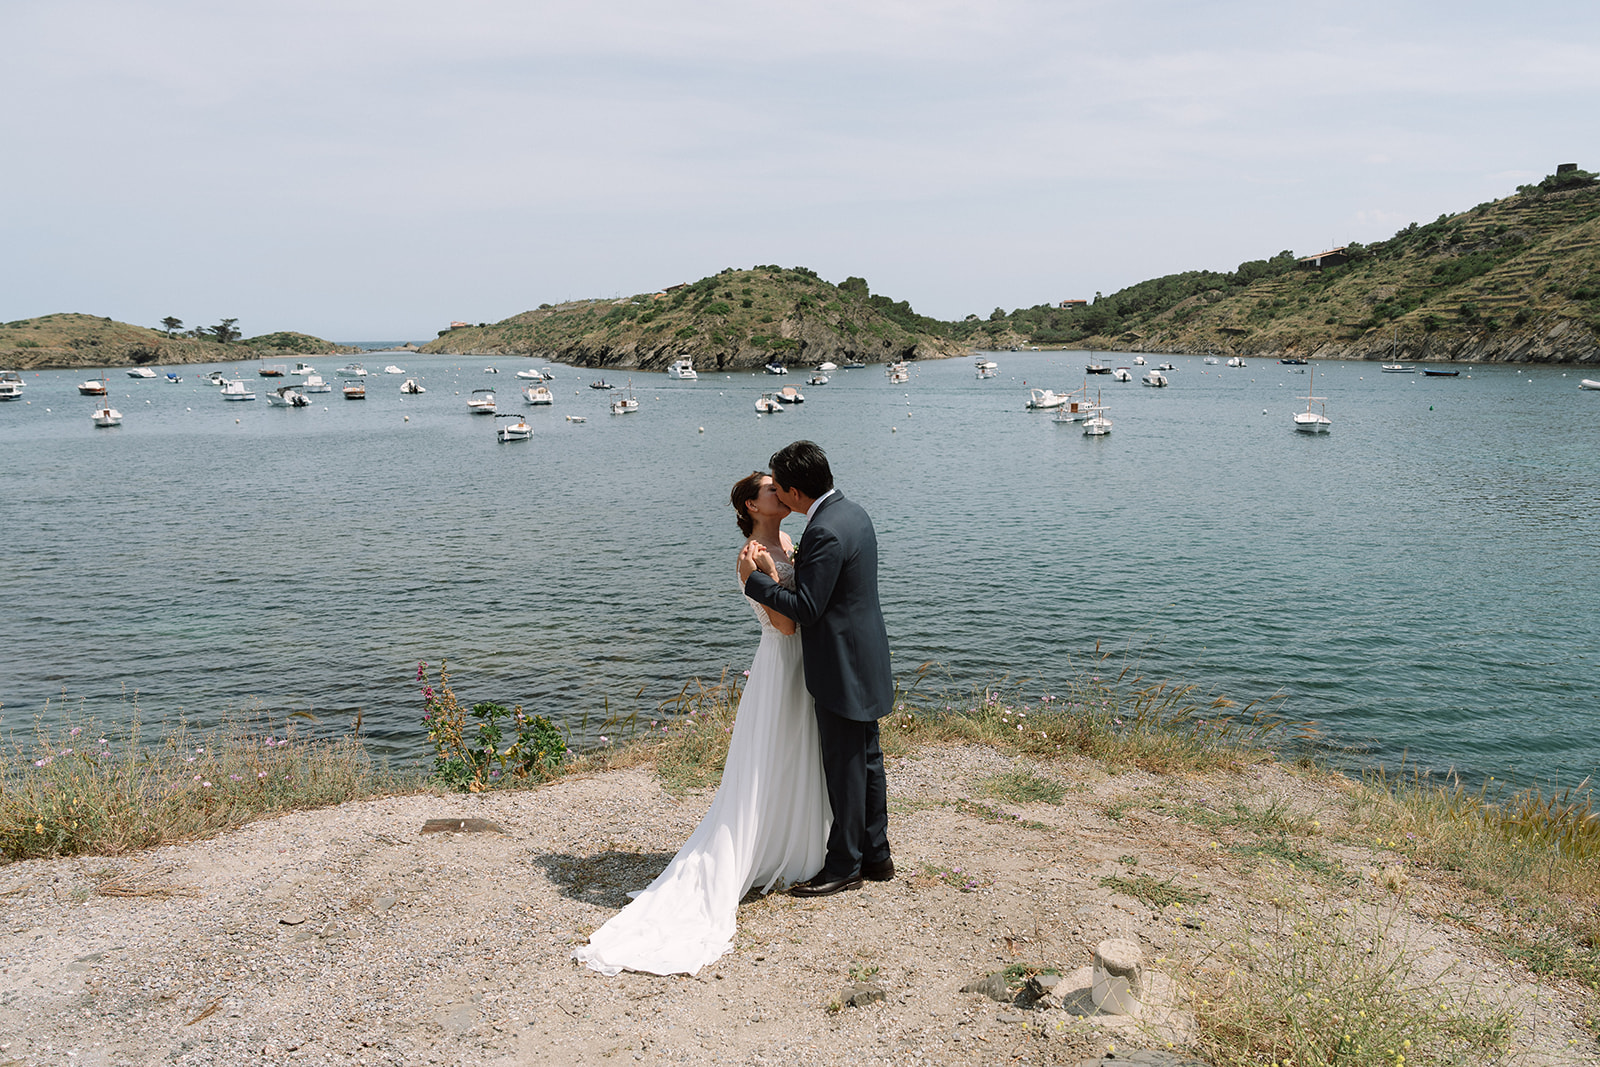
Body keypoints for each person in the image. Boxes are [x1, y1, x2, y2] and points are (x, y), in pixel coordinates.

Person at [571, 472, 831, 976]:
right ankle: (751, 851)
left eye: (780, 487)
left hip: (804, 663)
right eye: (771, 490)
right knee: (769, 757)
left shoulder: (788, 540)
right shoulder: (752, 556)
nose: (781, 493)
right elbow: (784, 622)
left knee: (799, 753)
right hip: (781, 661)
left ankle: (794, 845)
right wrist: (777, 582)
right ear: (753, 506)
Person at [739, 440, 894, 897]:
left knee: (847, 769)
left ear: (794, 492)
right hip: (864, 656)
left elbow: (805, 609)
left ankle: (844, 865)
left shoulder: (823, 531)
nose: (779, 497)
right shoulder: (853, 512)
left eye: (780, 489)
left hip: (841, 666)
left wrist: (757, 583)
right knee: (867, 762)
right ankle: (877, 856)